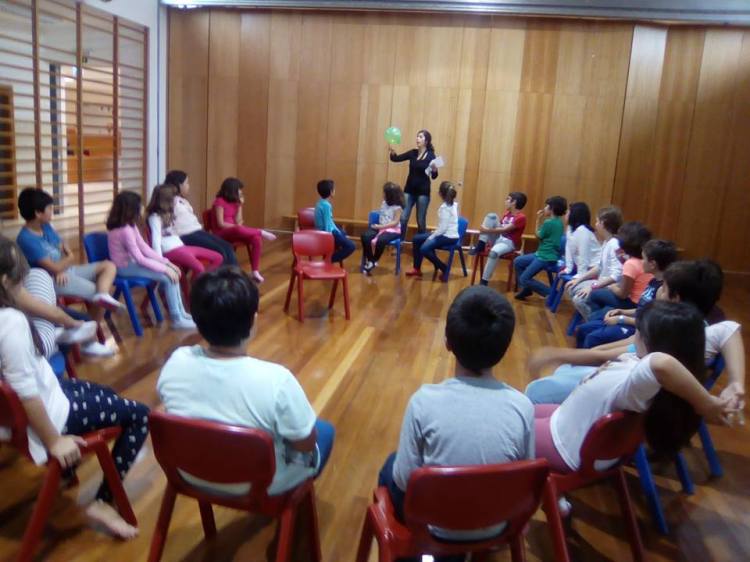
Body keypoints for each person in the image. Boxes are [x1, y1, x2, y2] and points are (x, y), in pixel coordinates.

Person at [0, 237, 148, 539]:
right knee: (140, 414)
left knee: (105, 394)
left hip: (39, 401)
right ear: (5, 281)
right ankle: (103, 502)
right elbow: (26, 392)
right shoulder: (10, 322)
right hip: (50, 415)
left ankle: (68, 472)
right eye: (19, 279)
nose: (24, 285)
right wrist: (54, 442)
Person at [379, 286, 533, 560]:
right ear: (505, 348)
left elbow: (403, 481)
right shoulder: (522, 407)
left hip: (432, 528)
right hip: (497, 524)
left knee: (390, 466)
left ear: (447, 342)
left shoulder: (423, 401)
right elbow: (525, 478)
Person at [157, 267, 335, 496]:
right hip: (262, 486)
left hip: (189, 474)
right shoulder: (277, 380)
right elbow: (306, 444)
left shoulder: (176, 362)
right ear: (253, 322)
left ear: (197, 321)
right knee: (324, 431)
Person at [533, 301, 736, 478]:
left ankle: (546, 490)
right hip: (568, 425)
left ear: (652, 340)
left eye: (639, 330)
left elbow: (660, 363)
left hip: (567, 447)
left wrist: (706, 403)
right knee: (527, 409)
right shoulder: (642, 362)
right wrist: (736, 384)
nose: (634, 334)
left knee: (515, 425)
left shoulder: (641, 381)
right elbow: (729, 328)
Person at [525, 260, 745, 412]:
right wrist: (736, 383)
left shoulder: (664, 337)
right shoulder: (697, 331)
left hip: (622, 402)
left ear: (675, 298)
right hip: (632, 396)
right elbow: (730, 328)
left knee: (537, 391)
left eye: (663, 287)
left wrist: (555, 355)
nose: (658, 291)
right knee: (564, 370)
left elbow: (611, 356)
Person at [15, 188, 122, 316]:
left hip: (64, 272)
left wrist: (61, 266)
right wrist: (66, 261)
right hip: (51, 280)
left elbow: (63, 248)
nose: (52, 211)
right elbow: (59, 262)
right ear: (38, 213)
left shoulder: (46, 226)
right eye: (49, 208)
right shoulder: (26, 239)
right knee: (95, 291)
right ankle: (95, 321)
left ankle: (101, 298)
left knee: (108, 266)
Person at [105, 191, 195, 330]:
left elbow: (145, 249)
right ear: (131, 209)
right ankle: (177, 318)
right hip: (124, 268)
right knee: (167, 277)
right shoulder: (125, 230)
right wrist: (165, 269)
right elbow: (140, 258)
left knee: (173, 273)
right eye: (140, 205)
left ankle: (182, 314)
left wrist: (167, 263)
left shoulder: (131, 226)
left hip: (132, 263)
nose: (143, 207)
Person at [575, 239, 677, 348]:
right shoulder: (653, 281)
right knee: (582, 329)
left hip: (637, 329)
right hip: (633, 320)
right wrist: (622, 311)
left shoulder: (662, 290)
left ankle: (591, 357)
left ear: (652, 264)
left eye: (644, 258)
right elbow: (642, 309)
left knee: (592, 338)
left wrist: (622, 319)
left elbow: (652, 324)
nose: (641, 261)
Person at [146, 183, 223, 277]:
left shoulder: (169, 213)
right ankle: (201, 283)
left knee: (217, 258)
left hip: (181, 246)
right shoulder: (155, 218)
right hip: (171, 250)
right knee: (199, 268)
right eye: (175, 197)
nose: (177, 199)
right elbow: (156, 242)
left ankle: (200, 281)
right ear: (167, 200)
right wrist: (161, 262)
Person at [163, 170, 238, 266]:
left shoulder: (183, 201)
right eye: (187, 183)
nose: (188, 186)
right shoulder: (169, 201)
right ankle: (223, 275)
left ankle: (234, 274)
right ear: (179, 185)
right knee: (220, 250)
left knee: (227, 246)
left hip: (197, 232)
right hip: (185, 236)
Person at [212, 177, 277, 284]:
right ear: (232, 189)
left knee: (256, 238)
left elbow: (239, 222)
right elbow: (221, 223)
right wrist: (236, 227)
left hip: (234, 231)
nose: (241, 192)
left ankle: (255, 271)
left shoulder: (235, 202)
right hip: (221, 233)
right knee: (239, 229)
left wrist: (240, 205)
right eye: (239, 189)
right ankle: (261, 231)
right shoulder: (219, 201)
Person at [584, 221, 653, 318]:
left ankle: (597, 318)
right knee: (601, 297)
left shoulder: (631, 263)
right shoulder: (646, 260)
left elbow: (622, 294)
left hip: (633, 304)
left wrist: (612, 287)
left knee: (594, 295)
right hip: (644, 303)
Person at [566, 206, 623, 319]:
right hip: (601, 283)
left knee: (579, 299)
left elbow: (617, 275)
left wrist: (593, 287)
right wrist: (579, 279)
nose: (595, 224)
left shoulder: (615, 245)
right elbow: (599, 267)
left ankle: (597, 322)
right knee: (572, 287)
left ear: (603, 223)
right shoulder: (607, 242)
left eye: (597, 221)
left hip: (609, 287)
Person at [513, 196, 567, 300]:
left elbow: (538, 236)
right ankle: (526, 289)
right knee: (518, 261)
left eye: (546, 206)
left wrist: (538, 220)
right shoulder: (559, 222)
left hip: (545, 257)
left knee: (524, 278)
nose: (544, 208)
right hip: (544, 254)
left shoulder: (548, 223)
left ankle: (551, 293)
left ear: (552, 208)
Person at [388, 129, 438, 239]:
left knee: (420, 220)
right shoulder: (412, 153)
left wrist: (434, 170)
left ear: (426, 141)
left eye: (420, 137)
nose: (417, 139)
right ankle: (400, 242)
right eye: (417, 136)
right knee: (403, 218)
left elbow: (434, 176)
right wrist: (392, 152)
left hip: (423, 192)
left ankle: (420, 244)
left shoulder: (431, 156)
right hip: (409, 190)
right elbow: (396, 158)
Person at [405, 181, 459, 281]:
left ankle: (444, 268)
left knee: (424, 249)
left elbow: (443, 229)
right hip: (445, 234)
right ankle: (417, 268)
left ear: (440, 194)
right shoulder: (453, 205)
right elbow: (443, 227)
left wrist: (431, 236)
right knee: (416, 239)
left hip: (448, 237)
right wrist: (434, 233)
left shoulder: (445, 208)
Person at [472, 192, 528, 286]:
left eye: (508, 199)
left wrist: (486, 230)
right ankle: (481, 244)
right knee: (491, 216)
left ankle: (484, 281)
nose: (505, 201)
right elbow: (499, 227)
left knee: (494, 252)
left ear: (514, 202)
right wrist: (487, 229)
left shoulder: (521, 217)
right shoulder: (507, 213)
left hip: (508, 243)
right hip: (498, 238)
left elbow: (505, 229)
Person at [361, 182, 405, 275]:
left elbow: (395, 222)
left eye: (384, 193)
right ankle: (371, 260)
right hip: (380, 227)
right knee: (365, 236)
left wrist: (381, 226)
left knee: (381, 240)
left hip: (393, 230)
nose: (383, 194)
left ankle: (374, 260)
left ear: (390, 195)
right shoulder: (384, 203)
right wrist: (378, 226)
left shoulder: (398, 207)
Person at [313, 179, 355, 263]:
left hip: (327, 230)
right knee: (351, 246)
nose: (335, 190)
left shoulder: (320, 202)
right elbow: (327, 225)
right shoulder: (326, 205)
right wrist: (330, 238)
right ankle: (329, 260)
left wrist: (340, 233)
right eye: (334, 189)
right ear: (331, 192)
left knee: (343, 232)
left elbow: (330, 222)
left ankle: (330, 253)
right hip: (325, 233)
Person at [561, 202, 600, 282]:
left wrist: (580, 275)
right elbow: (568, 249)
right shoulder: (570, 228)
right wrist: (568, 268)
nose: (565, 215)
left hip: (594, 268)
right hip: (582, 266)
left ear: (574, 215)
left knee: (574, 285)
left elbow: (583, 255)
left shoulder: (583, 231)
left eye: (568, 212)